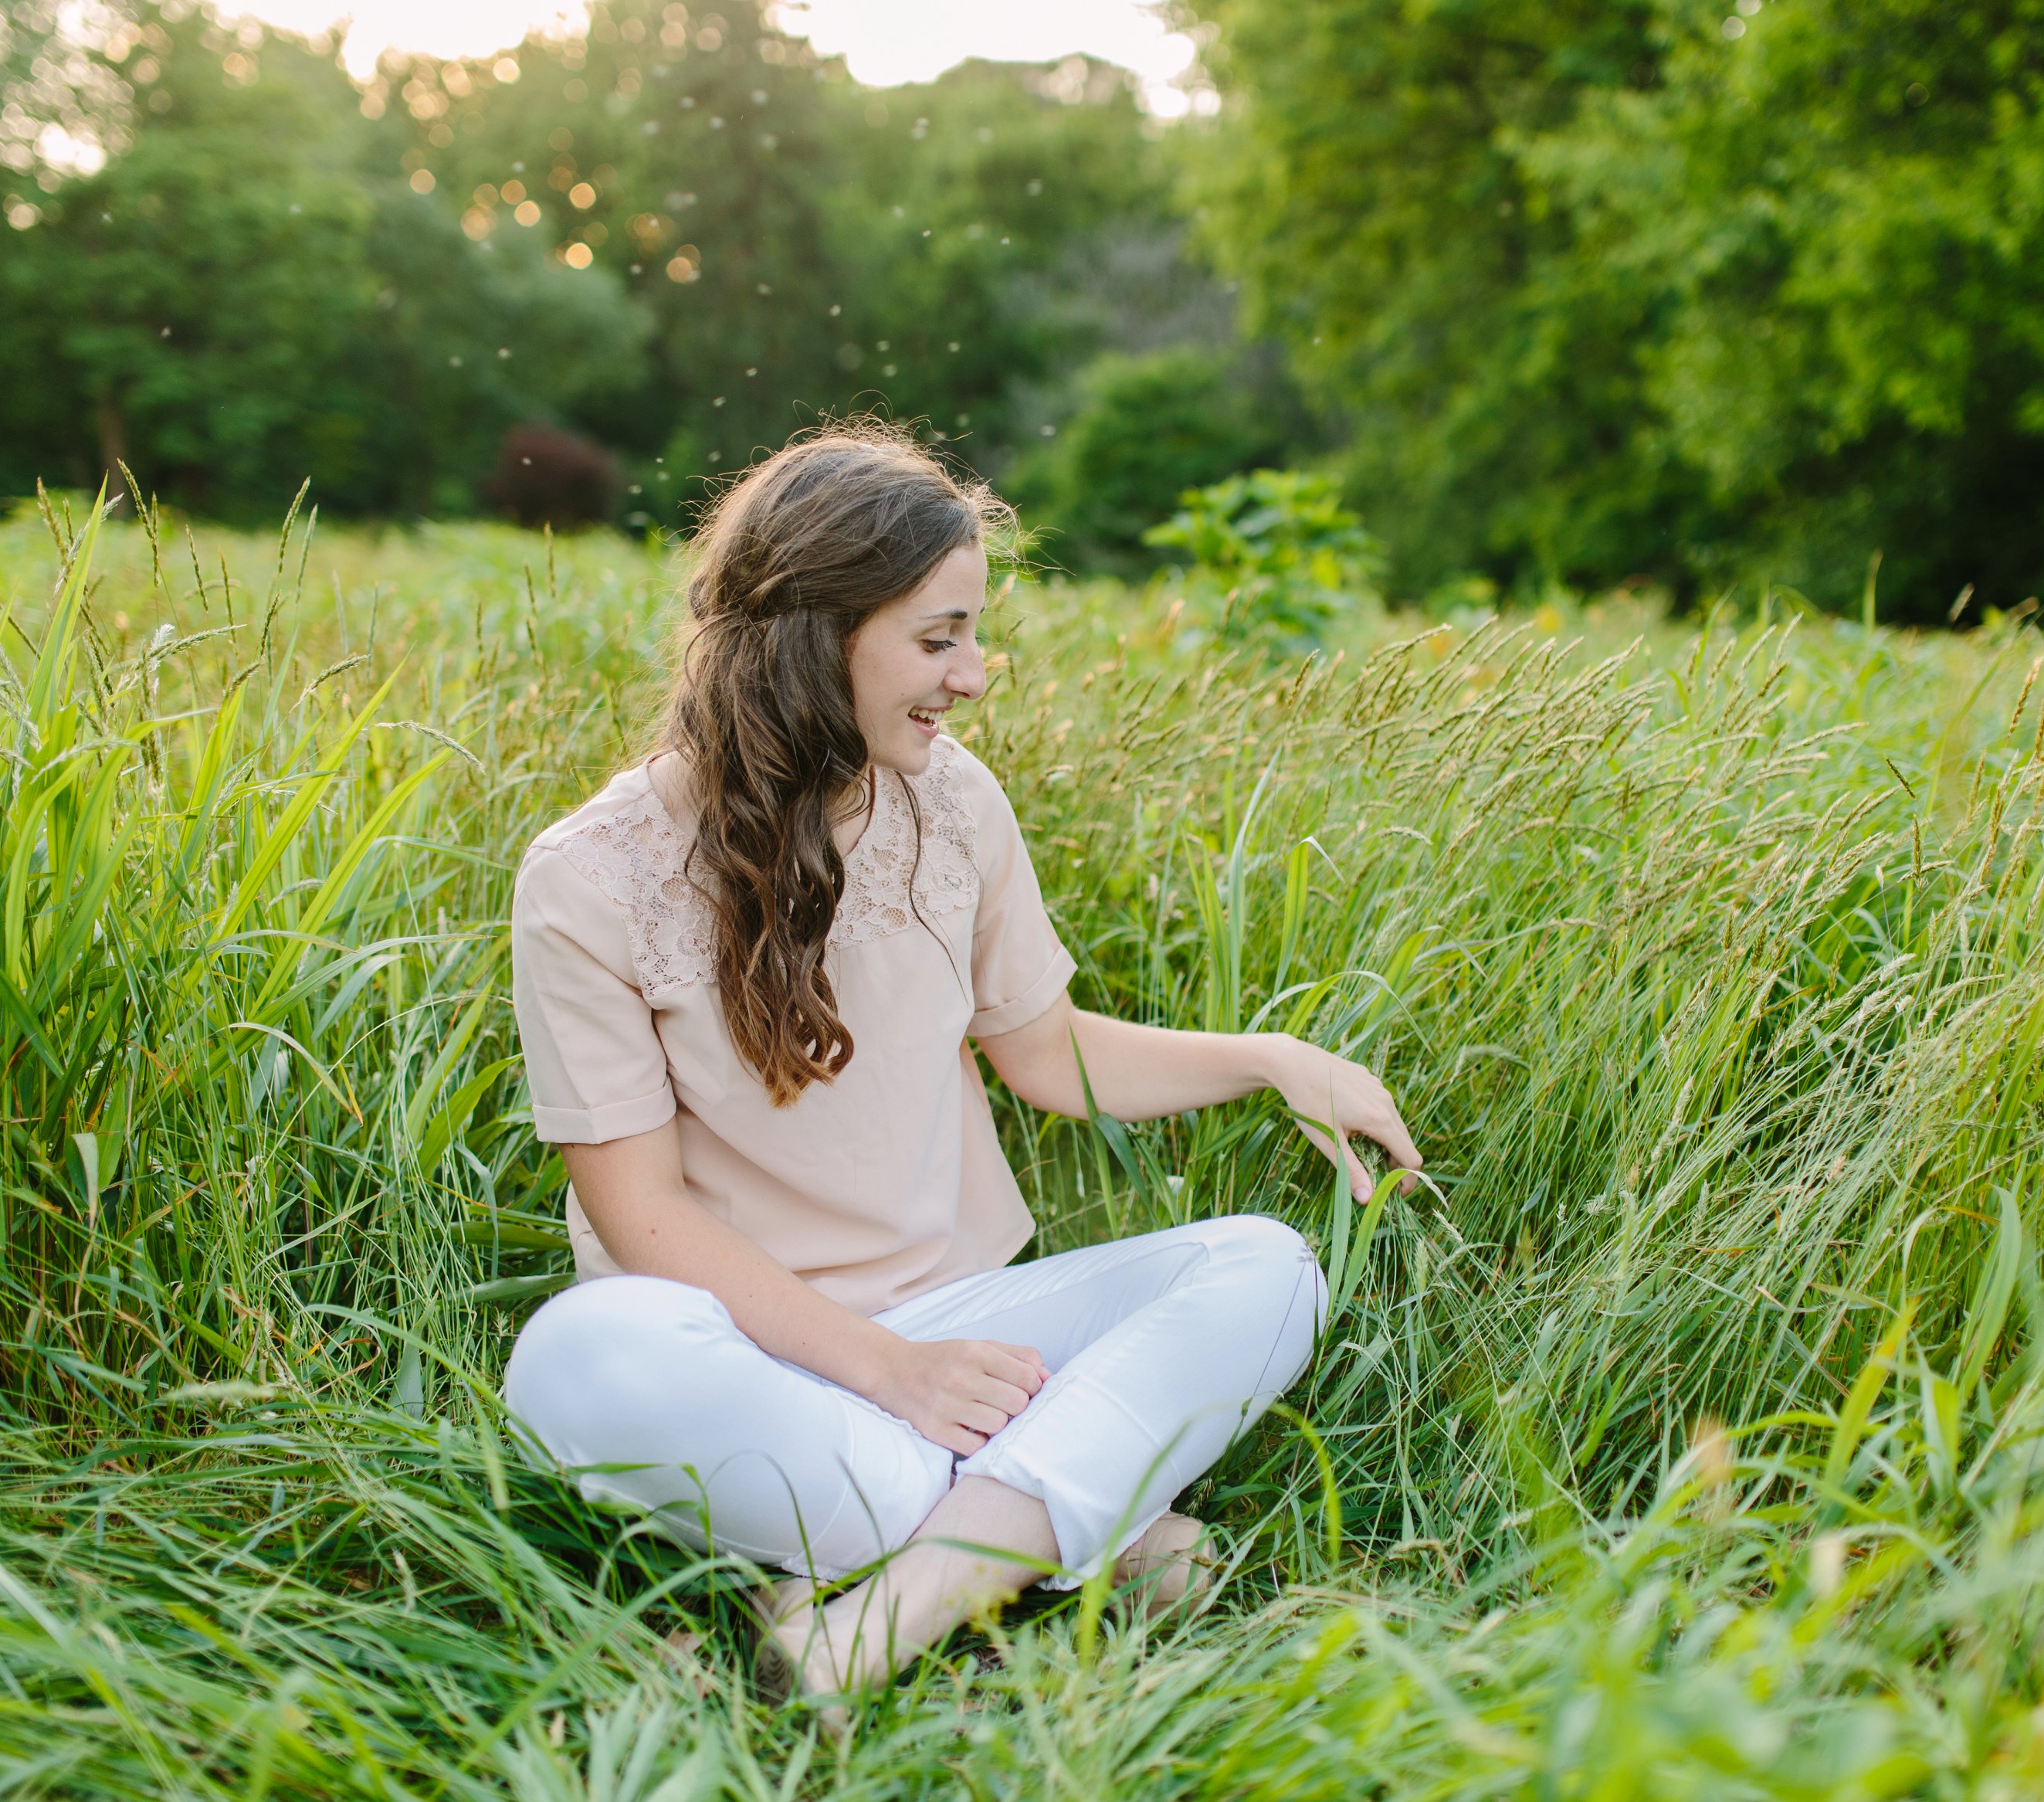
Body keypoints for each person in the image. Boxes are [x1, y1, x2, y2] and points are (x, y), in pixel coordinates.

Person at [500, 426, 1420, 1698]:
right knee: (572, 1360)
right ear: (815, 637)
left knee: (1264, 1269)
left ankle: (870, 1607)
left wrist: (1270, 1059)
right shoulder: (590, 876)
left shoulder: (954, 804)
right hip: (748, 1354)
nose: (974, 676)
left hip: (965, 1326)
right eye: (939, 639)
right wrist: (891, 1373)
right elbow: (640, 1216)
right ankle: (1062, 1524)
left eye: (974, 635)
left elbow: (1045, 1053)